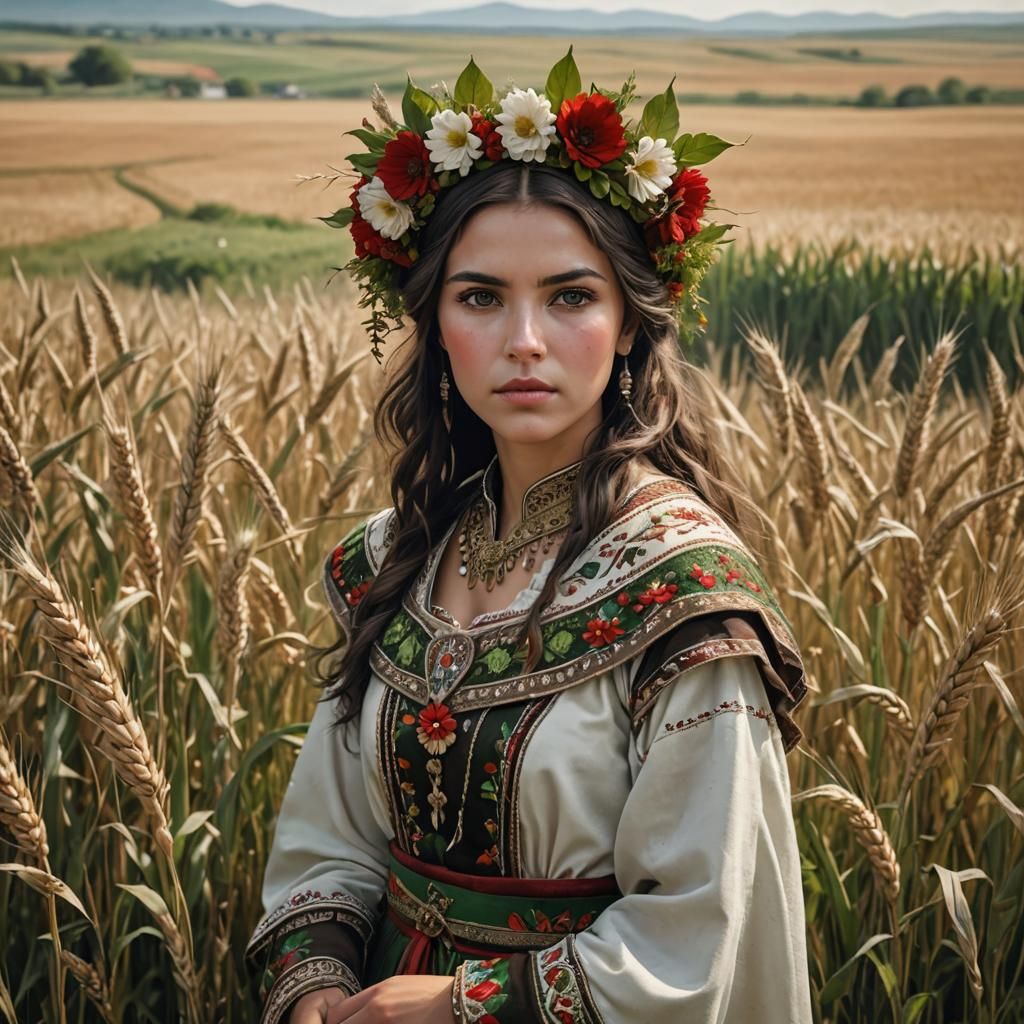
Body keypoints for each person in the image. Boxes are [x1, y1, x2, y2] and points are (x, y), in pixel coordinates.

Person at [245, 52, 813, 1024]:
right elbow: (327, 838)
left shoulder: (683, 591)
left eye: (570, 296)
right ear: (431, 321)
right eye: (478, 297)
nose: (524, 341)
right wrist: (316, 993)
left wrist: (452, 1009)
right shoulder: (394, 560)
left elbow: (701, 932)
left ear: (632, 321)